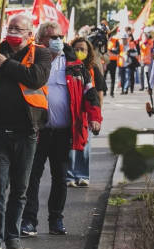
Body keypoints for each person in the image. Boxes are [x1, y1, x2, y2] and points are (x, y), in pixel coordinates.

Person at [0, 13, 52, 249]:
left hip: (26, 133)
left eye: (19, 29)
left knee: (20, 189)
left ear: (30, 34)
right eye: (10, 27)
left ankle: (13, 237)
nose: (13, 32)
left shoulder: (40, 53)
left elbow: (36, 78)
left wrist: (7, 65)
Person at [21, 23, 102, 237]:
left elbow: (90, 92)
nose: (57, 39)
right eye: (52, 36)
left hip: (63, 132)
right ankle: (29, 221)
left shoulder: (75, 64)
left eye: (60, 36)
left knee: (60, 177)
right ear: (40, 39)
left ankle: (56, 219)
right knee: (32, 177)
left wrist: (95, 117)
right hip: (37, 132)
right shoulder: (31, 60)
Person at [66, 36, 106, 187]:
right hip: (72, 112)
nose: (79, 52)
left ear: (88, 51)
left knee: (85, 146)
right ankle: (70, 176)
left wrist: (96, 115)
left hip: (87, 113)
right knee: (70, 146)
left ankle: (82, 176)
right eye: (76, 49)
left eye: (82, 49)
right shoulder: (67, 67)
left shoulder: (93, 69)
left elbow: (99, 91)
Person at [106, 28, 121, 97]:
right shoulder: (104, 41)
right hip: (105, 61)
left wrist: (110, 50)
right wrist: (112, 50)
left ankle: (112, 92)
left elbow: (118, 51)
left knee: (113, 77)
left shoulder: (115, 41)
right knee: (103, 77)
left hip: (113, 61)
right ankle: (104, 91)